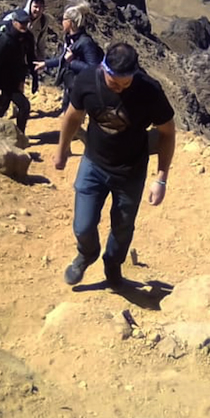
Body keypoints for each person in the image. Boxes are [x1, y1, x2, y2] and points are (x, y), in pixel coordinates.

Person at [53, 42, 175, 287]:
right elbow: (73, 116)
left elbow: (167, 133)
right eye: (114, 82)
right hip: (94, 163)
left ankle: (113, 265)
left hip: (131, 170)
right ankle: (87, 253)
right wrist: (62, 149)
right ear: (104, 69)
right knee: (83, 224)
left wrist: (161, 178)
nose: (119, 88)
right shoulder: (87, 80)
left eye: (125, 83)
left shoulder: (149, 90)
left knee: (123, 227)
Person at [35, 2, 102, 114]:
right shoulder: (70, 38)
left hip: (80, 87)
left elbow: (94, 69)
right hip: (71, 85)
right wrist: (45, 63)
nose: (62, 22)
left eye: (64, 19)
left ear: (70, 22)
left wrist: (72, 62)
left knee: (72, 117)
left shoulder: (86, 42)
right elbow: (64, 58)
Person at [0, 8, 34, 133]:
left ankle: (16, 135)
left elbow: (30, 58)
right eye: (21, 23)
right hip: (3, 79)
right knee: (23, 106)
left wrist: (33, 78)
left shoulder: (27, 38)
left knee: (4, 106)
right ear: (14, 22)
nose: (24, 25)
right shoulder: (4, 40)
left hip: (15, 79)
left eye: (26, 22)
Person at [22, 0, 52, 93]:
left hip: (30, 54)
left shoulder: (44, 21)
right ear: (30, 6)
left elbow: (41, 42)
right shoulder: (19, 17)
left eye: (41, 7)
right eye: (35, 7)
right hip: (15, 53)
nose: (38, 10)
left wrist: (41, 60)